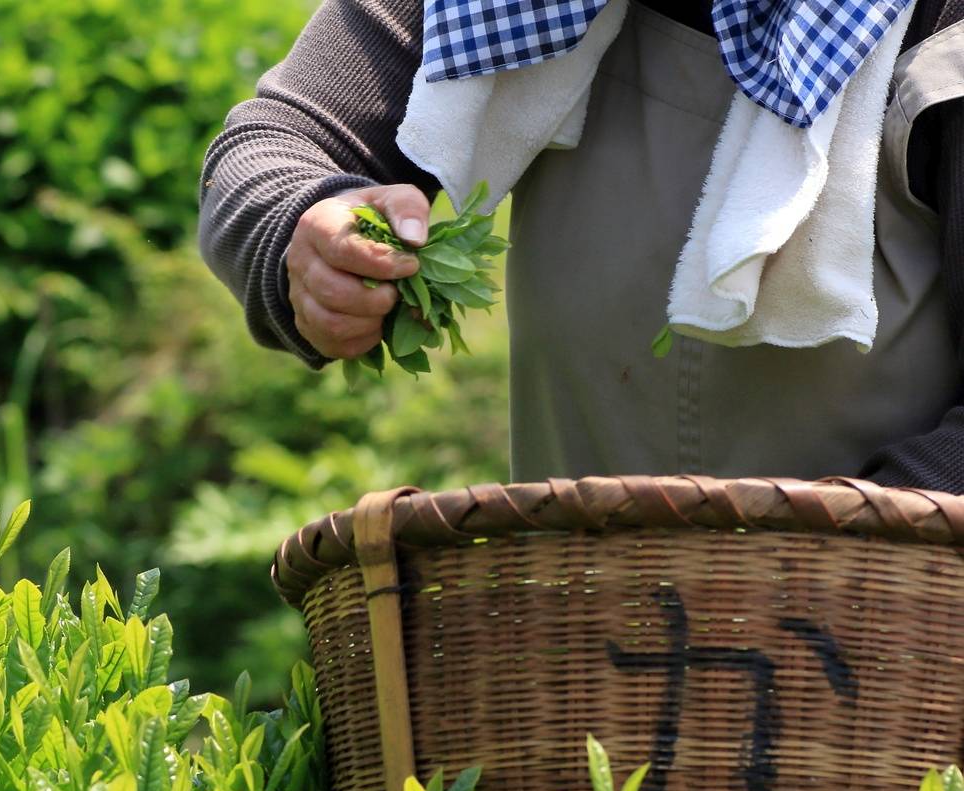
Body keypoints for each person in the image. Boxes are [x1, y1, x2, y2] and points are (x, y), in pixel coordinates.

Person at [198, 0, 964, 490]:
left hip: (885, 663)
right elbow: (278, 143)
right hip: (582, 651)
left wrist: (820, 561)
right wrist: (313, 228)